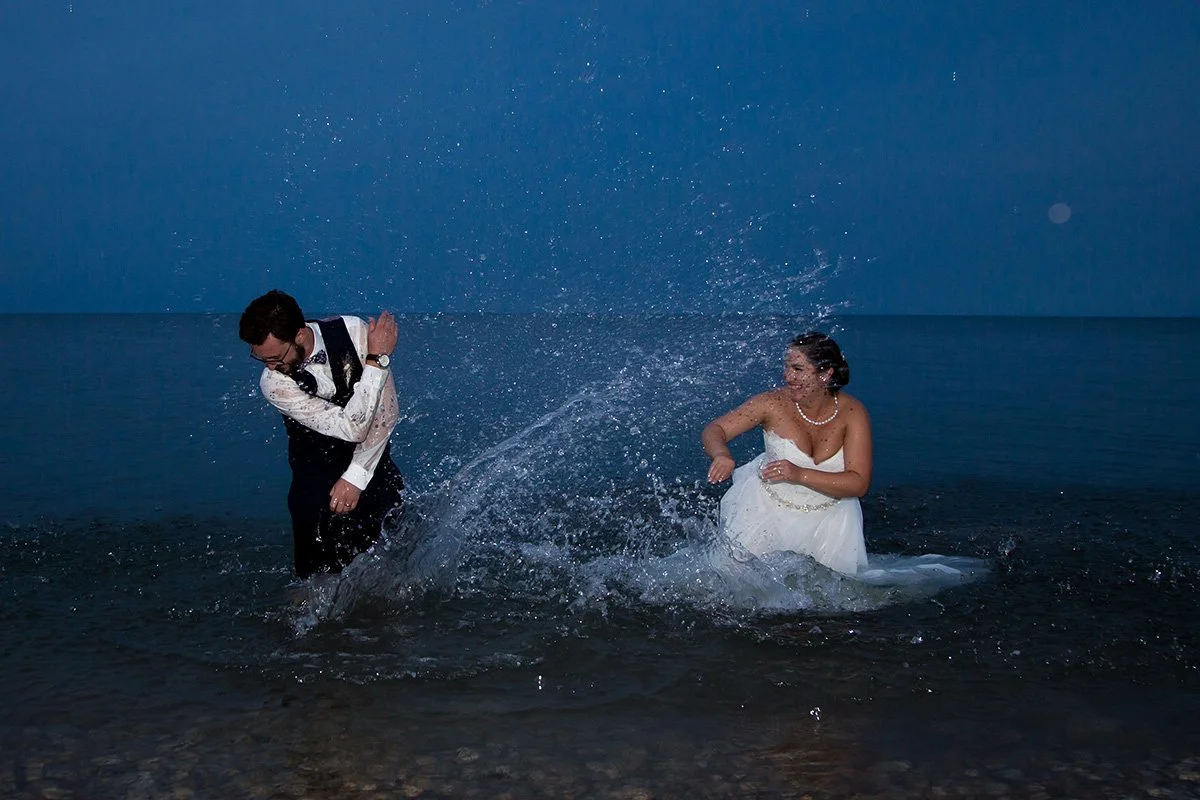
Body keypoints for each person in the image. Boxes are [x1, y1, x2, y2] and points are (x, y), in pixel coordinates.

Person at [239, 290, 406, 579]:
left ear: (300, 335)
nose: (269, 367)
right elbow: (352, 428)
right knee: (314, 580)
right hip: (314, 478)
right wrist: (377, 359)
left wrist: (355, 477)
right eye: (261, 359)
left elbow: (385, 414)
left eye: (276, 358)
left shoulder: (354, 332)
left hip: (373, 464)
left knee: (394, 560)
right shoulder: (273, 384)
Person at [702, 332, 871, 576]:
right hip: (764, 513)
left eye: (798, 369)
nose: (788, 376)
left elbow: (858, 483)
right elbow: (714, 429)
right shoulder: (772, 403)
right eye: (787, 367)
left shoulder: (853, 412)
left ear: (826, 374)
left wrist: (799, 474)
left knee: (829, 600)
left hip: (832, 522)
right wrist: (721, 454)